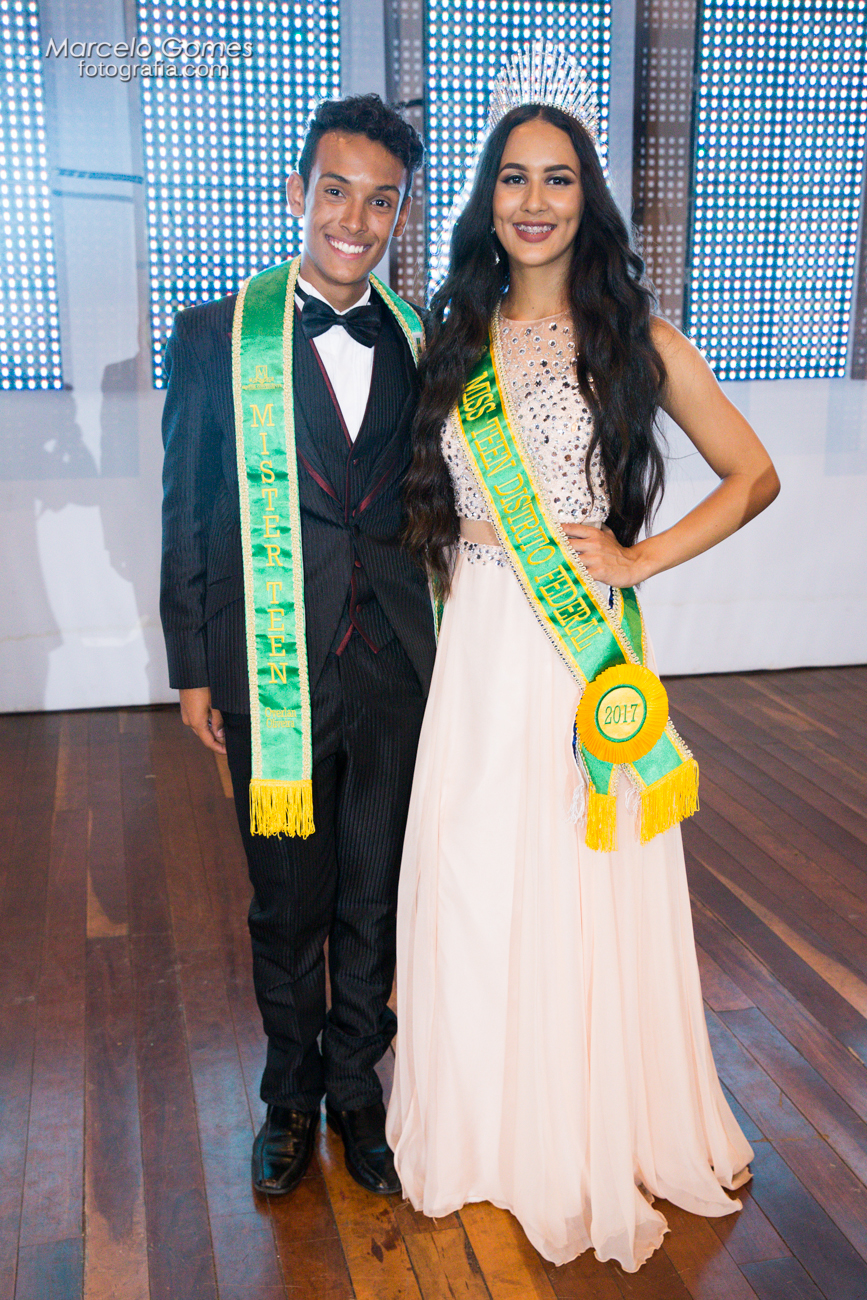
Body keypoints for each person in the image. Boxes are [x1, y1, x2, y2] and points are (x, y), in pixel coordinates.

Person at [386, 45, 780, 1272]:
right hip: (477, 654)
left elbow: (753, 474)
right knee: (472, 883)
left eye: (558, 177)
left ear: (588, 195)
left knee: (572, 884)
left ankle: (581, 1125)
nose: (535, 199)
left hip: (575, 657)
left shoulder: (632, 335)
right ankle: (489, 1122)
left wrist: (639, 556)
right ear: (487, 197)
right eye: (514, 176)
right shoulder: (454, 333)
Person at [160, 94, 436, 1200]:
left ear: (401, 214)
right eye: (336, 192)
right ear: (297, 194)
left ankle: (358, 1089)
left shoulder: (423, 339)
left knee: (375, 893)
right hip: (270, 670)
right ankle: (289, 1097)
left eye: (381, 202)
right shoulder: (214, 336)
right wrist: (191, 666)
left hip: (398, 665)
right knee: (286, 900)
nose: (354, 221)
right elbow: (187, 511)